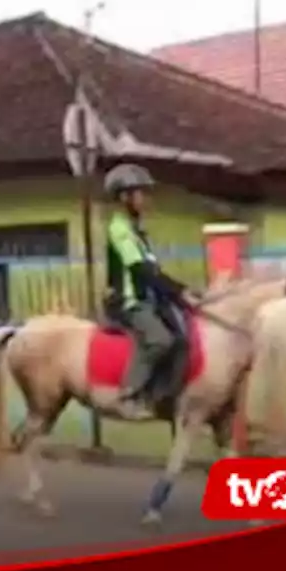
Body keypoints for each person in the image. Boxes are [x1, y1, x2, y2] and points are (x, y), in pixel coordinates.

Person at [103, 163, 198, 415]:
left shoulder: (138, 231)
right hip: (129, 302)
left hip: (148, 299)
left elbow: (153, 271)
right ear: (124, 198)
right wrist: (177, 292)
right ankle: (129, 395)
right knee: (159, 340)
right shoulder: (119, 229)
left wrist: (182, 290)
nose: (145, 199)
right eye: (140, 193)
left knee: (183, 341)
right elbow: (139, 270)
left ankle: (161, 398)